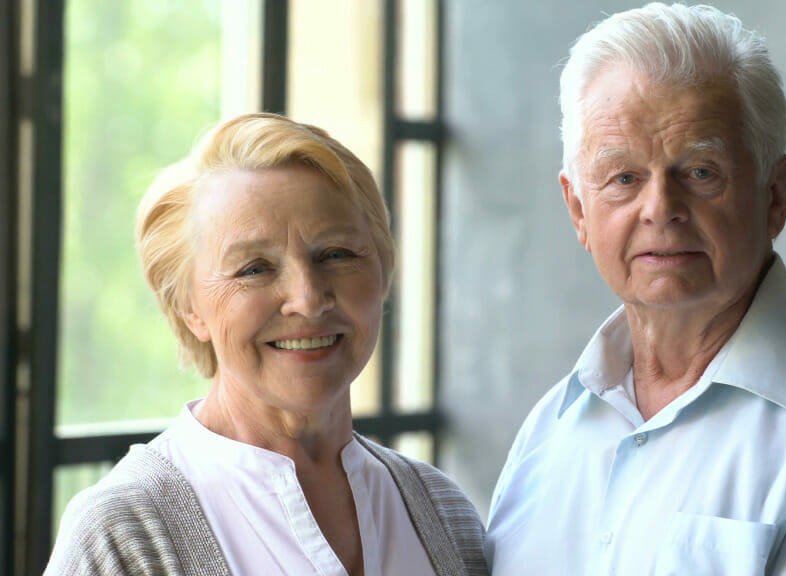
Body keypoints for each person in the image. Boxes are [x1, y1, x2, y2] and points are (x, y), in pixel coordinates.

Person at [485, 3, 786, 574]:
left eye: (700, 172)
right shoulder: (548, 433)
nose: (661, 210)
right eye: (623, 178)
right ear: (578, 209)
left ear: (776, 195)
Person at [47, 113, 487, 576]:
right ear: (187, 309)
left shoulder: (441, 512)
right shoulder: (122, 533)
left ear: (383, 272)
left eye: (336, 254)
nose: (308, 300)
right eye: (254, 268)